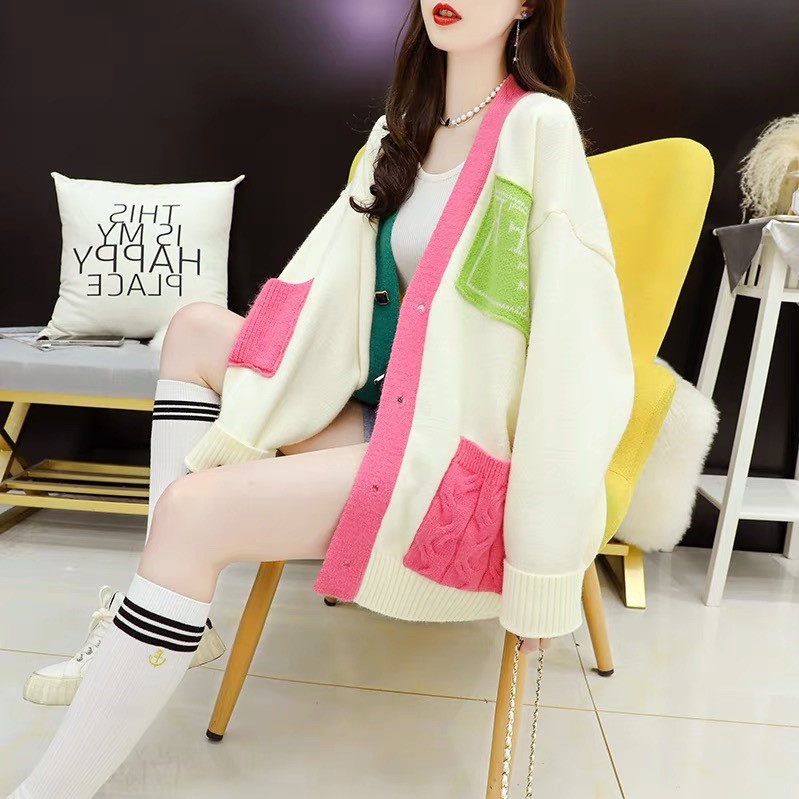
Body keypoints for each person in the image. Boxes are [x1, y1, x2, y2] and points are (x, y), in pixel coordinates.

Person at [8, 0, 635, 796]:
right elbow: (320, 285)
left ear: (526, 6)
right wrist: (277, 389)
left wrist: (544, 564)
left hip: (441, 455)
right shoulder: (395, 134)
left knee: (191, 512)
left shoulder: (537, 131)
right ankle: (180, 610)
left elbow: (577, 358)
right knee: (194, 325)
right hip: (377, 413)